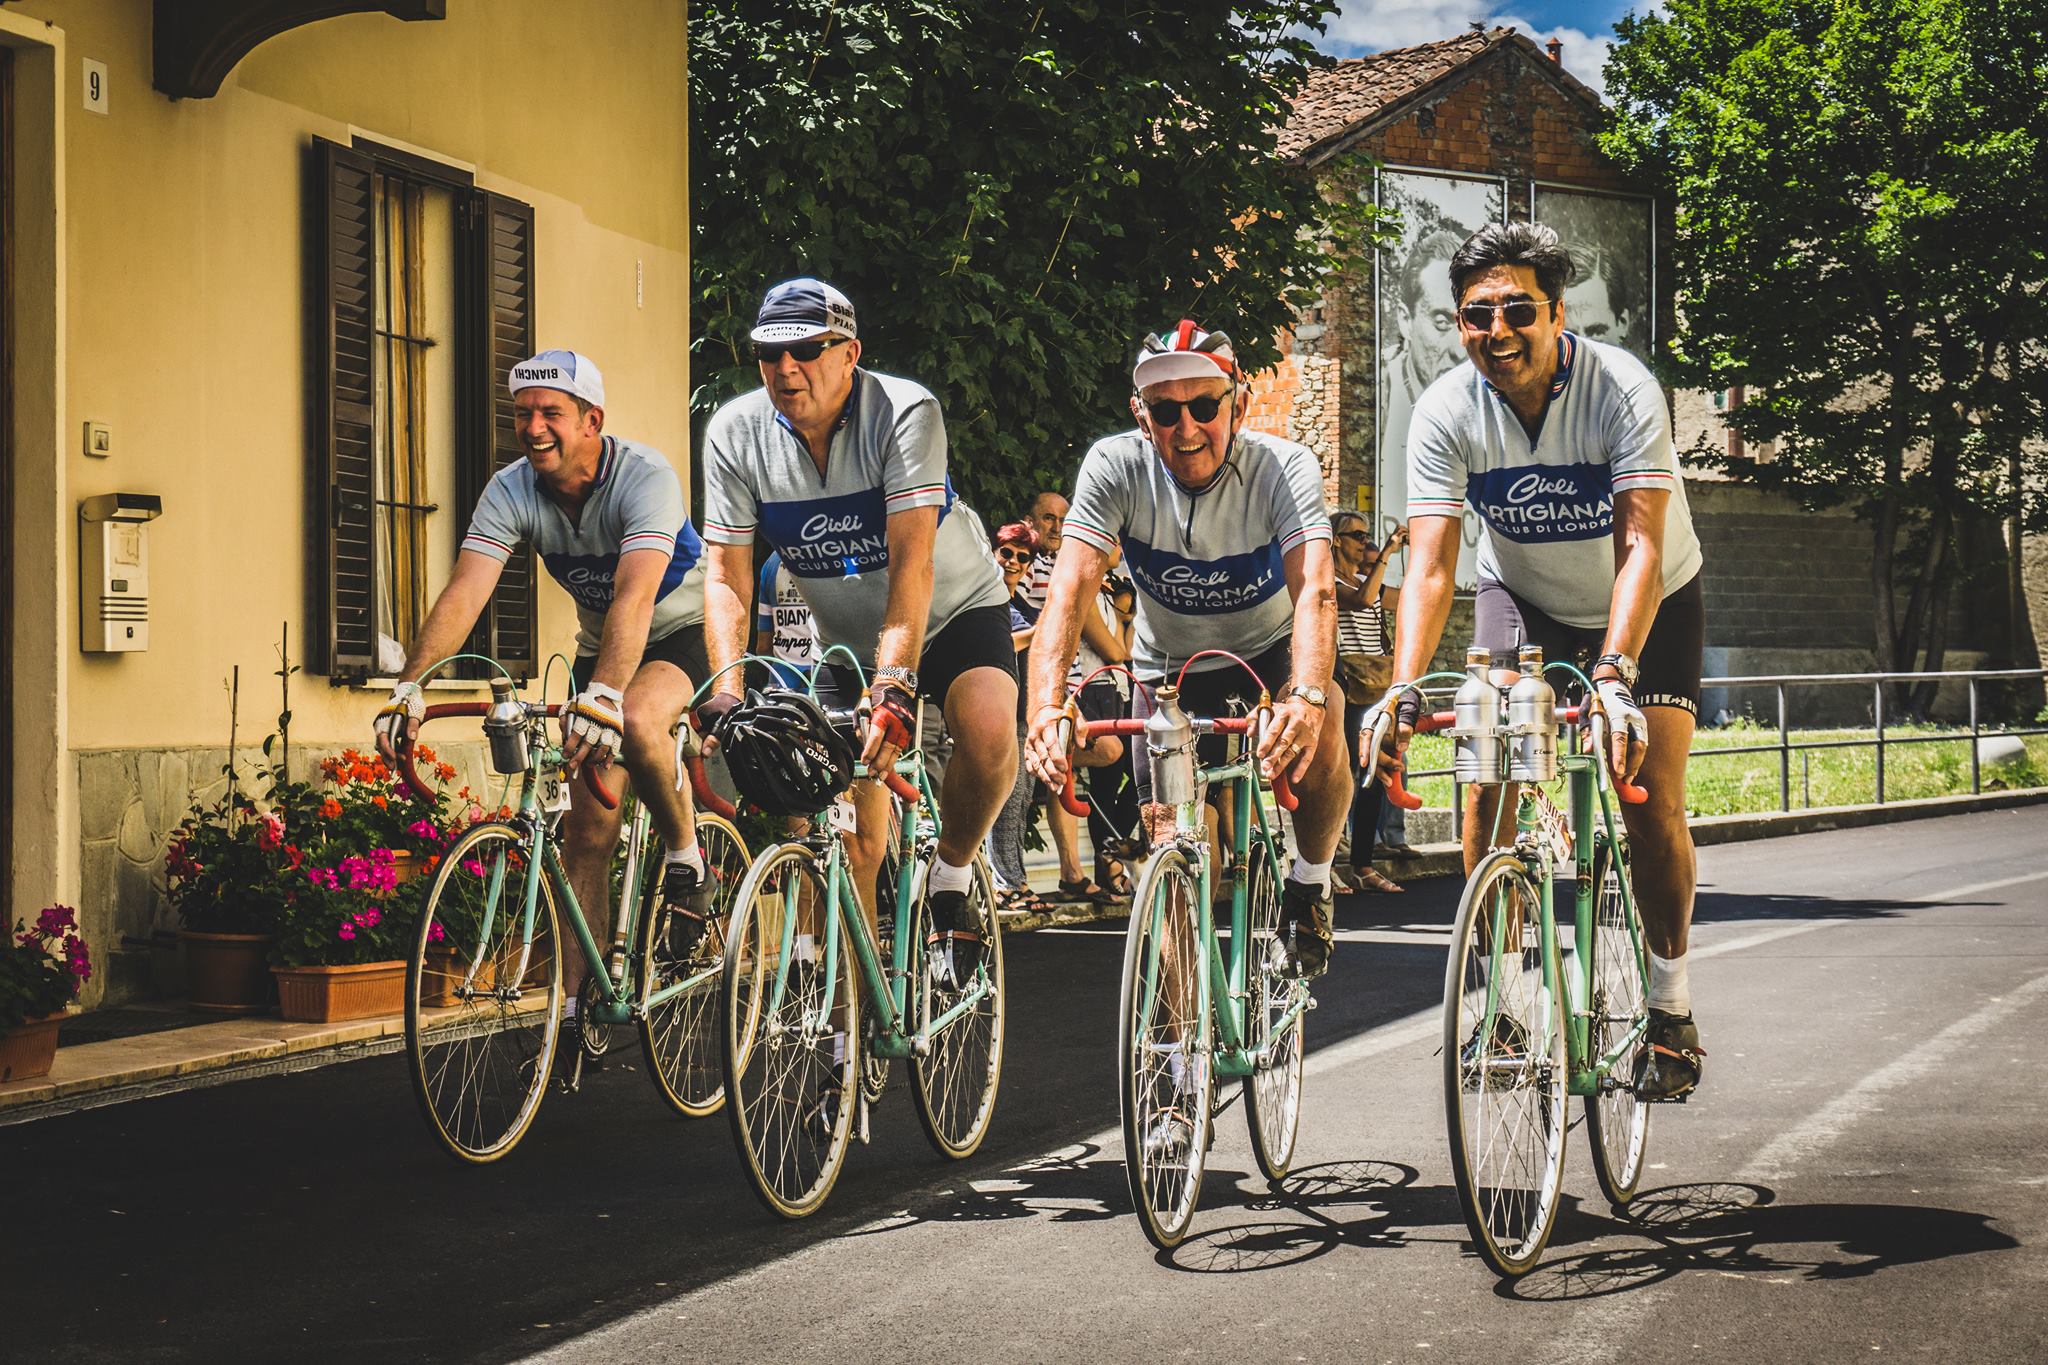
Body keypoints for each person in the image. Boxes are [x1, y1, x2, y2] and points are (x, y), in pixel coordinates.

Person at [1366, 222, 1708, 1100]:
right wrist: (1404, 684)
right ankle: (1511, 999)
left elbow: (1640, 544)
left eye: (1520, 309)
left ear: (1558, 313)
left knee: (1652, 800)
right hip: (1523, 597)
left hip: (1648, 599)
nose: (1498, 330)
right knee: (1486, 769)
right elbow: (1434, 564)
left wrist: (1615, 677)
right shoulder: (1446, 409)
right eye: (1477, 315)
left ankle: (1668, 1008)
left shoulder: (1622, 388)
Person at [372, 349, 714, 1083]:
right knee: (586, 832)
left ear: (593, 421)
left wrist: (605, 694)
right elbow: (466, 591)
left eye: (550, 413)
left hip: (682, 628)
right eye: (522, 413)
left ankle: (688, 854)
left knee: (642, 721)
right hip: (607, 645)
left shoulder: (645, 477)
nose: (533, 427)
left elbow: (634, 596)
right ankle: (572, 1007)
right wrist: (411, 685)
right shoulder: (512, 489)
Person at [697, 278, 1016, 989]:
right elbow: (725, 574)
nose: (786, 370)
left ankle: (954, 871)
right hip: (847, 635)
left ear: (851, 354)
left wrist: (897, 686)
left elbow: (913, 559)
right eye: (768, 355)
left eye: (807, 350)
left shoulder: (906, 411)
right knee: (851, 833)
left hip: (954, 608)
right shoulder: (734, 433)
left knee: (991, 732)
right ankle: (848, 1020)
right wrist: (726, 690)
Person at [1023, 320, 1348, 979]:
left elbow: (1314, 588)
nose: (1187, 428)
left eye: (1205, 406)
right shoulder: (1116, 466)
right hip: (1168, 671)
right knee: (1174, 844)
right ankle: (1177, 1053)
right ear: (1141, 415)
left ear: (1240, 403)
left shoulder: (1283, 468)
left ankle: (1310, 883)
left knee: (1332, 708)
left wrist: (1306, 697)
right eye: (1166, 411)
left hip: (1268, 653)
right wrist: (1044, 706)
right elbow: (1068, 592)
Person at [1331, 512, 1404, 894]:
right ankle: (1324, 862)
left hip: (1376, 684)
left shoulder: (1367, 580)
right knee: (1339, 774)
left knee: (1373, 771)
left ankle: (1362, 864)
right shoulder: (1329, 582)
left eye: (1367, 535)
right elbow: (1361, 601)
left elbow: (1409, 601)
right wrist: (1387, 553)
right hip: (1347, 685)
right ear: (1336, 540)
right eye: (1356, 534)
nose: (1364, 540)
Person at [985, 522, 1055, 914]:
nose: (1012, 562)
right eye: (1006, 553)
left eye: (1021, 557)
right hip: (997, 713)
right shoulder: (988, 602)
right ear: (994, 553)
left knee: (1021, 801)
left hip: (1024, 715)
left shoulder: (1022, 609)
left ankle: (1016, 881)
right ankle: (1005, 884)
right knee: (1006, 801)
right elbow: (1000, 644)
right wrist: (1042, 629)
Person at [754, 547, 816, 686]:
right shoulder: (834, 555)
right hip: (826, 681)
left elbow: (763, 647)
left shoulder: (771, 562)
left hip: (782, 681)